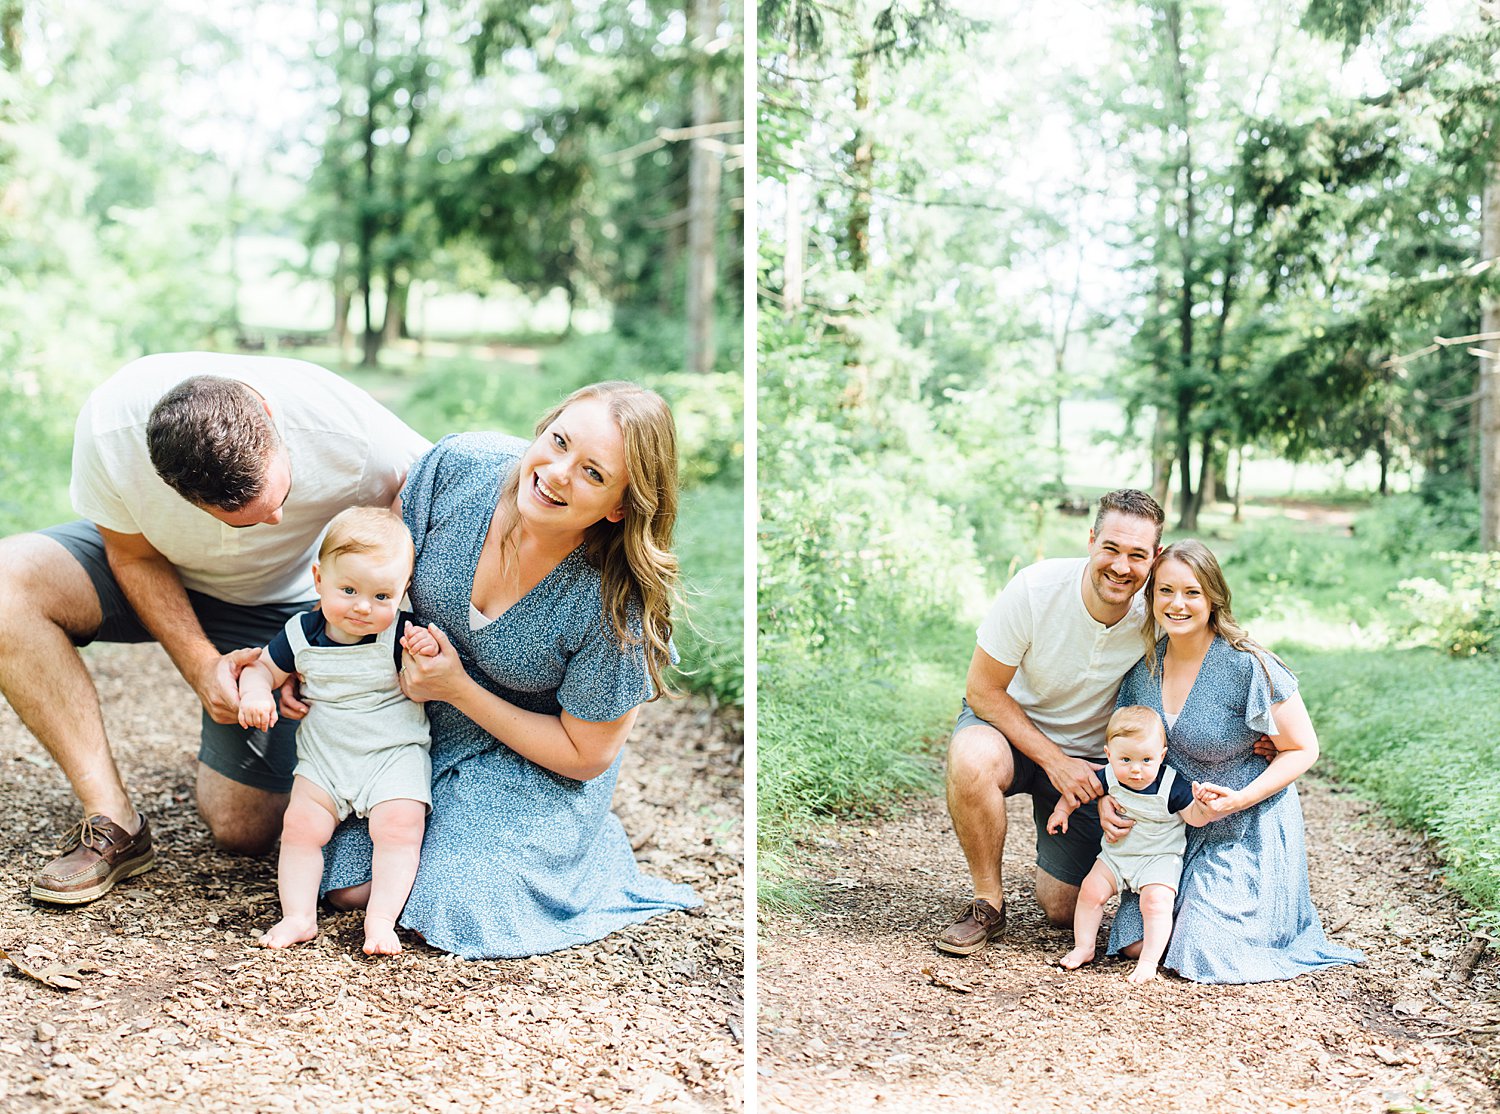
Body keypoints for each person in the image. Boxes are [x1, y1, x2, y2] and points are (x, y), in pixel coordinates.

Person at [0, 352, 429, 905]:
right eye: (245, 520)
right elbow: (131, 556)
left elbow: (422, 505)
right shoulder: (112, 427)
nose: (273, 523)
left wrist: (329, 651)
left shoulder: (354, 433)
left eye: (278, 500)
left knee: (240, 828)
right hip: (154, 568)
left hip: (281, 602)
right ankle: (112, 822)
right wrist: (202, 666)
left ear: (270, 416)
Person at [317, 381, 700, 959]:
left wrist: (459, 689)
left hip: (532, 761)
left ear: (619, 506)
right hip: (411, 729)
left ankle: (580, 852)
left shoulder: (615, 602)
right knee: (342, 882)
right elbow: (369, 579)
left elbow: (586, 756)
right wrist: (291, 660)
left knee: (450, 900)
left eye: (593, 473)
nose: (557, 473)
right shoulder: (458, 468)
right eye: (558, 441)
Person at [1105, 539, 1364, 983]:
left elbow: (1303, 748)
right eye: (1165, 591)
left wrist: (1241, 798)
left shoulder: (1249, 665)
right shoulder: (1142, 671)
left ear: (1213, 597)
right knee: (1135, 942)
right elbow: (1125, 752)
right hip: (1173, 834)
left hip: (1245, 827)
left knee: (1199, 948)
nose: (1177, 604)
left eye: (1191, 592)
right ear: (1150, 598)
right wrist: (1110, 799)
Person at [937, 489, 1165, 957]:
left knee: (1063, 910)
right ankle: (988, 903)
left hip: (1088, 764)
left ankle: (1056, 865)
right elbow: (982, 690)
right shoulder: (1035, 589)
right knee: (972, 757)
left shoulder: (1158, 614)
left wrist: (1262, 730)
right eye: (1112, 549)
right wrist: (1053, 761)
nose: (1122, 566)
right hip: (1009, 732)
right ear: (1090, 540)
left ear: (1155, 557)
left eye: (1137, 555)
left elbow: (1216, 649)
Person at [237, 507, 439, 954]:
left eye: (382, 596)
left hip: (391, 755)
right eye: (348, 590)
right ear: (319, 580)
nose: (363, 607)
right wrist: (255, 694)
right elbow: (261, 671)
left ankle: (382, 921)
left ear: (403, 593)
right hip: (325, 760)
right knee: (301, 829)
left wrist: (427, 650)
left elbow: (435, 668)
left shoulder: (402, 634)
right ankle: (299, 916)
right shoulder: (301, 635)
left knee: (401, 827)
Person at [1046, 705, 1217, 982]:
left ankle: (1149, 961)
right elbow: (1077, 793)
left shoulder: (1171, 785)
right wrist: (1061, 811)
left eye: (1146, 760)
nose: (1136, 770)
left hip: (1158, 858)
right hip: (1116, 855)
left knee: (1156, 902)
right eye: (1125, 759)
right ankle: (1084, 947)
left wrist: (1205, 808)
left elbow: (1194, 819)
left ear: (1161, 756)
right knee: (1091, 892)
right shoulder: (1109, 776)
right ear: (1109, 754)